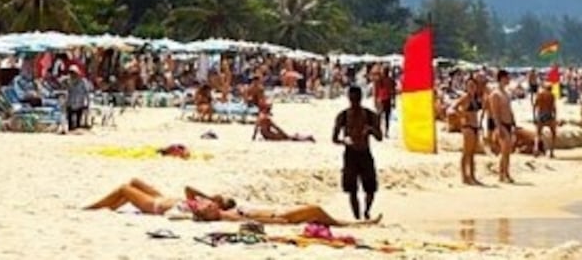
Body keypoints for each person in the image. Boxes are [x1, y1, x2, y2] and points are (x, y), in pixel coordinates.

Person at [85, 178, 379, 226]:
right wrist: (212, 198)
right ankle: (101, 208)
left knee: (126, 188)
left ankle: (92, 210)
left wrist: (213, 203)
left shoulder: (226, 213)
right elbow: (188, 189)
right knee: (133, 181)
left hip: (158, 206)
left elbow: (237, 220)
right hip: (166, 200)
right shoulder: (215, 206)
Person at [332, 85, 382, 220]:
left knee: (370, 188)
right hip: (350, 154)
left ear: (361, 98)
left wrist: (370, 130)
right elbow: (334, 138)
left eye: (357, 99)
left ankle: (366, 211)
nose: (354, 102)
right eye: (352, 99)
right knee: (352, 189)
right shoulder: (343, 116)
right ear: (349, 99)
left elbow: (379, 137)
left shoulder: (370, 115)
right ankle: (357, 216)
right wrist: (345, 141)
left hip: (365, 152)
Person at [453, 74, 486, 184]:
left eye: (473, 86)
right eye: (470, 86)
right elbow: (453, 108)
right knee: (466, 152)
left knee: (472, 153)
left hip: (475, 126)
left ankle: (472, 176)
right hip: (468, 127)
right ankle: (464, 176)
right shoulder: (465, 97)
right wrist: (463, 115)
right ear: (466, 87)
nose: (472, 88)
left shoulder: (476, 98)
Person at [488, 69, 517, 183]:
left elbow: (509, 109)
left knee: (508, 151)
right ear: (502, 78)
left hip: (509, 123)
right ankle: (501, 174)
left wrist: (514, 123)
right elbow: (495, 112)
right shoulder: (495, 94)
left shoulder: (506, 93)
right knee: (504, 150)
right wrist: (498, 126)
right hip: (501, 124)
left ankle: (506, 173)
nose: (509, 79)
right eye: (507, 77)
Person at [533, 80, 558, 159]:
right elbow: (553, 107)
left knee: (538, 133)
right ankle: (551, 152)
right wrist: (555, 117)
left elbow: (535, 106)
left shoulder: (540, 94)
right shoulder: (552, 95)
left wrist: (534, 117)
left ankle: (536, 149)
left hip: (541, 114)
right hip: (549, 114)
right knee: (553, 133)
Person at [65, 66, 91, 132]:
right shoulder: (68, 81)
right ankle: (71, 130)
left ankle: (77, 131)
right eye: (71, 73)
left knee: (78, 121)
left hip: (79, 102)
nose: (72, 75)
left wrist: (87, 102)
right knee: (70, 120)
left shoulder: (83, 81)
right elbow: (65, 90)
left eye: (73, 73)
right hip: (70, 102)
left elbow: (87, 92)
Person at [373, 66, 396, 138]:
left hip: (381, 100)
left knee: (380, 116)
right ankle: (386, 131)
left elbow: (376, 92)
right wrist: (394, 101)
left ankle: (380, 130)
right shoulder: (390, 80)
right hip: (387, 100)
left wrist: (375, 101)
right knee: (387, 117)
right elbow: (393, 92)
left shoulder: (379, 80)